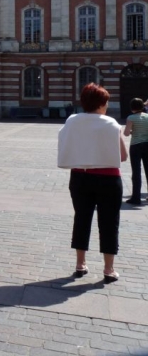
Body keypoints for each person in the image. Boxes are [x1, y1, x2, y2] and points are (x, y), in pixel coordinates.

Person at [58, 83, 128, 284]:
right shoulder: (112, 124)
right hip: (109, 179)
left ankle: (80, 264)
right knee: (109, 222)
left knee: (82, 218)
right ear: (101, 104)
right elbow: (122, 156)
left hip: (80, 177)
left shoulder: (72, 121)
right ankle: (108, 269)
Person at [124, 97, 148, 205]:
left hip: (136, 145)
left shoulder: (131, 117)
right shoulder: (147, 116)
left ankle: (136, 197)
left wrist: (134, 131)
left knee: (136, 172)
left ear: (132, 107)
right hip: (147, 145)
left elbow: (126, 133)